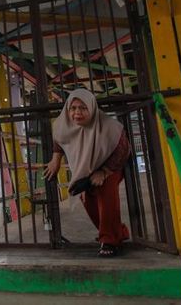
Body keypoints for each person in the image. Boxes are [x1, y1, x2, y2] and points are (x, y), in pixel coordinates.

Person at [44, 88, 131, 257]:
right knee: (87, 199)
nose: (77, 113)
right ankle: (117, 232)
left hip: (111, 165)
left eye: (83, 108)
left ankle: (110, 241)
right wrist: (56, 159)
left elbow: (122, 150)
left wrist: (104, 172)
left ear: (92, 108)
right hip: (87, 167)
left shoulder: (109, 126)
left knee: (106, 194)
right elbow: (59, 139)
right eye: (73, 108)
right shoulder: (64, 124)